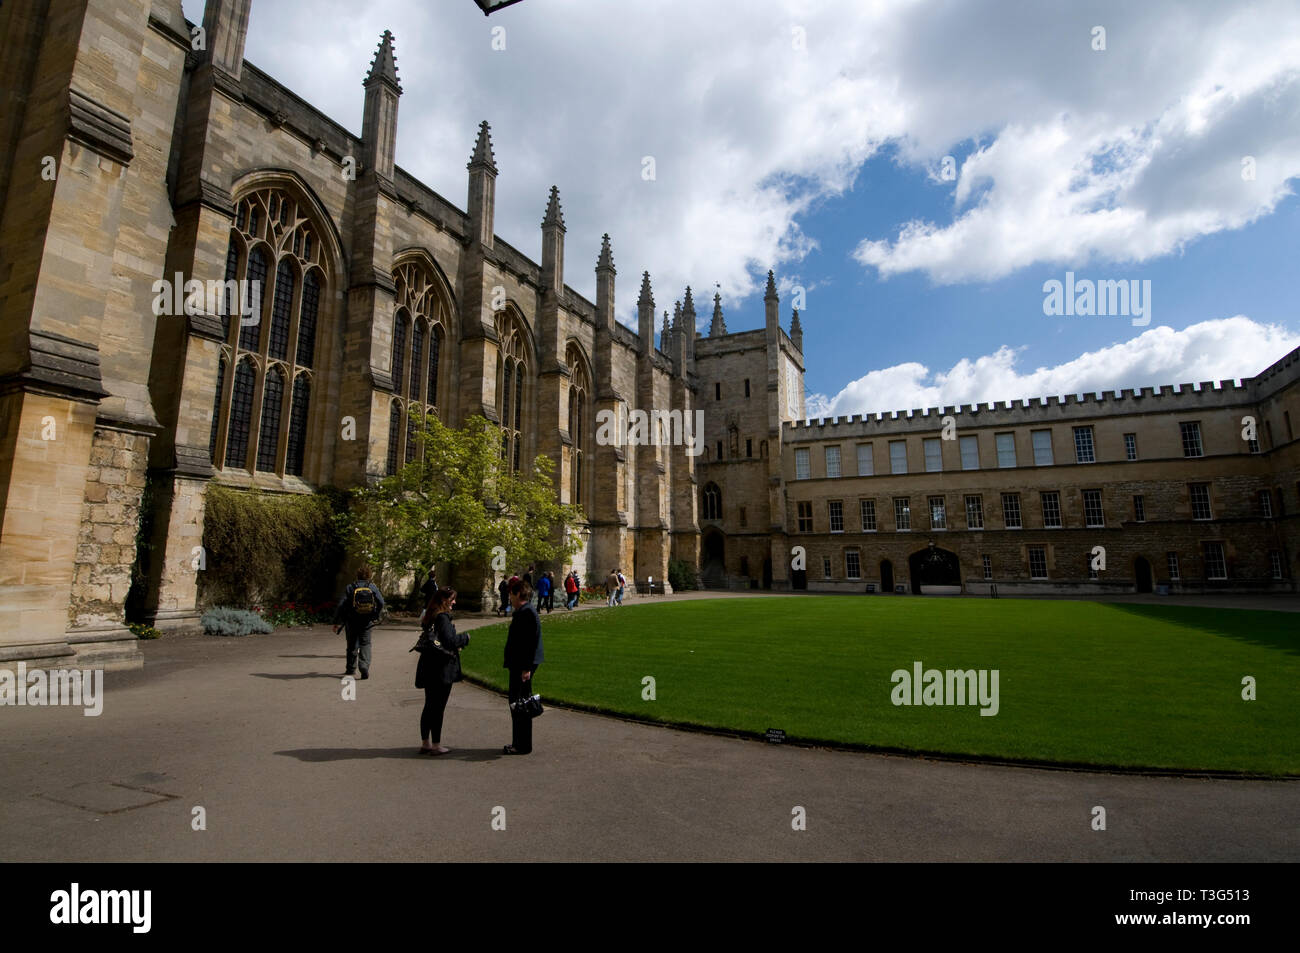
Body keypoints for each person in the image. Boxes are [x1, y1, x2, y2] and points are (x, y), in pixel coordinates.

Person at [414, 587, 468, 756]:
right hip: (441, 667)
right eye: (452, 599)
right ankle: (436, 745)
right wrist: (465, 638)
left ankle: (425, 742)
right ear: (444, 600)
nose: (454, 602)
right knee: (438, 707)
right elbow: (450, 641)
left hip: (429, 664)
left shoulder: (429, 615)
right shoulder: (442, 617)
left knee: (429, 704)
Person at [502, 580, 544, 755]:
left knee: (519, 704)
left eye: (511, 594)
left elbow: (529, 643)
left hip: (522, 665)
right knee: (520, 703)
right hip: (521, 664)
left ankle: (521, 745)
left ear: (519, 594)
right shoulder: (524, 611)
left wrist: (526, 668)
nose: (510, 597)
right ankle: (520, 743)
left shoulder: (526, 613)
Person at [332, 565, 384, 679]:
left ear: (357, 575)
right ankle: (364, 665)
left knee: (351, 644)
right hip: (367, 621)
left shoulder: (350, 587)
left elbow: (341, 605)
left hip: (351, 620)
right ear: (369, 575)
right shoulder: (372, 587)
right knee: (365, 643)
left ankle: (350, 669)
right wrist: (375, 615)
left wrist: (337, 621)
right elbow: (381, 602)